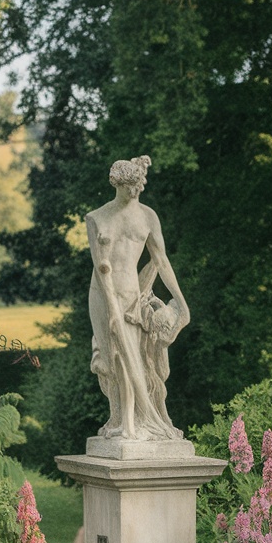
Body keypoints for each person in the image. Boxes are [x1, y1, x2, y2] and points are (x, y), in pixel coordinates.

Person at [86, 155, 189, 441]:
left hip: (131, 292)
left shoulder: (147, 216)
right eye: (128, 187)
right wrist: (112, 309)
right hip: (103, 294)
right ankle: (120, 419)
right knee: (111, 358)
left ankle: (134, 424)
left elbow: (162, 261)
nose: (134, 192)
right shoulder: (96, 217)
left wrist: (180, 300)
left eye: (137, 186)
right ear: (116, 183)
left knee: (132, 357)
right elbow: (101, 267)